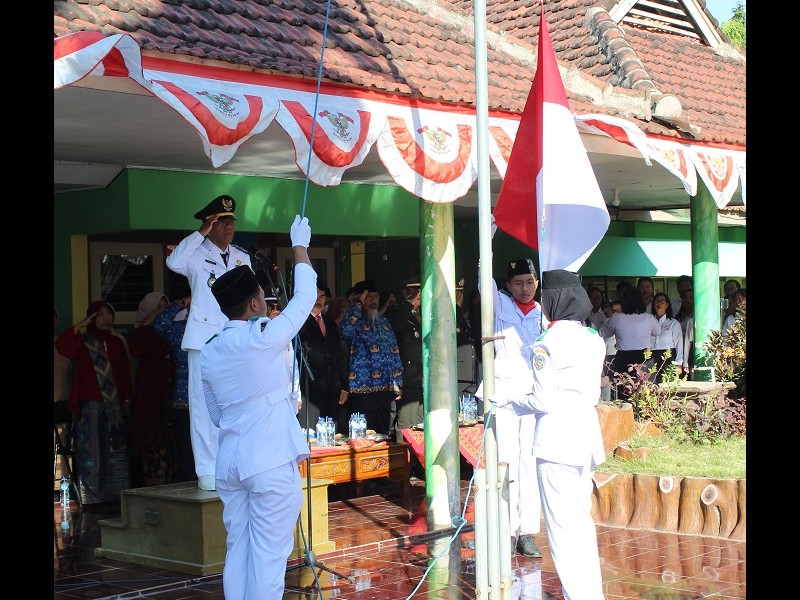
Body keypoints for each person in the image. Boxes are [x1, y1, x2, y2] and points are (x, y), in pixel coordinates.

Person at [200, 215, 316, 600]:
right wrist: (299, 246)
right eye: (264, 300)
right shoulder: (261, 335)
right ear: (253, 304)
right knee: (268, 559)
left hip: (230, 463)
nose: (267, 305)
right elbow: (305, 299)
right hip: (268, 461)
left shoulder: (209, 350)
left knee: (239, 550)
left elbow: (216, 415)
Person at [494, 269, 606, 600]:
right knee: (581, 525)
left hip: (556, 442)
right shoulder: (593, 338)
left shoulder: (548, 343)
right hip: (586, 438)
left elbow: (542, 400)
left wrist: (508, 398)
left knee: (561, 531)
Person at [165, 194, 252, 491]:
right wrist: (199, 233)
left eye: (231, 221)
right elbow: (173, 261)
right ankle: (207, 469)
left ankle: (233, 463)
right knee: (203, 406)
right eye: (221, 221)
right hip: (203, 339)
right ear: (210, 224)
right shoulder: (195, 253)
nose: (228, 227)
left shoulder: (242, 257)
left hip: (234, 338)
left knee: (236, 402)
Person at [475, 257, 543, 558]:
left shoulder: (544, 314)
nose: (525, 288)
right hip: (503, 397)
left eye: (529, 282)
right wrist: (486, 246)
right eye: (518, 283)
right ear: (508, 285)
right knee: (505, 462)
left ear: (537, 282)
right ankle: (505, 528)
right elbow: (484, 282)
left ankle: (526, 532)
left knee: (529, 463)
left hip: (534, 398)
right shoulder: (500, 305)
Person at [55, 301, 132, 505]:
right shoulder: (83, 342)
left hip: (113, 406)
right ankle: (93, 496)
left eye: (109, 313)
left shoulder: (116, 342)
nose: (106, 318)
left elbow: (124, 372)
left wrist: (126, 399)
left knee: (115, 450)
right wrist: (80, 326)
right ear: (92, 318)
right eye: (100, 314)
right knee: (93, 452)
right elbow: (62, 345)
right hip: (90, 406)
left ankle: (116, 493)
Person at [339, 280, 403, 437]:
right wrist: (358, 306)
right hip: (363, 392)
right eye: (368, 297)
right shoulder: (355, 324)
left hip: (387, 390)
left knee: (386, 437)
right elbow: (345, 330)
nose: (373, 301)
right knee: (365, 439)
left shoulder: (385, 323)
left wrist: (399, 382)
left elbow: (394, 353)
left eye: (376, 297)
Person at [126, 292, 172, 487]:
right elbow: (135, 351)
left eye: (164, 308)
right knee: (150, 437)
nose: (161, 312)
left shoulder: (170, 329)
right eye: (157, 308)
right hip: (148, 393)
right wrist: (146, 325)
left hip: (167, 392)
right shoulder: (139, 332)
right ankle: (151, 484)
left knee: (168, 436)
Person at [296, 281, 350, 435]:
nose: (318, 300)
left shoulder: (330, 323)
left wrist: (344, 386)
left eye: (322, 297)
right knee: (310, 436)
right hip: (309, 391)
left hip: (332, 390)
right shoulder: (299, 323)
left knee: (331, 436)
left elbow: (339, 356)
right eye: (314, 296)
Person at [153, 295, 195, 483]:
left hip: (210, 402)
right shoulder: (180, 330)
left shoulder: (216, 330)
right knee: (186, 453)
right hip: (183, 401)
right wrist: (182, 302)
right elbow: (160, 323)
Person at [600, 286, 660, 401]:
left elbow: (605, 333)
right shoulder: (648, 318)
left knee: (624, 392)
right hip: (644, 357)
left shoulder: (617, 318)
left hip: (624, 358)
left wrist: (608, 318)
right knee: (646, 391)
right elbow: (657, 332)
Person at [386, 277, 424, 444]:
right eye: (414, 292)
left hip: (422, 376)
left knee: (421, 423)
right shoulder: (397, 312)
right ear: (405, 293)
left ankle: (418, 458)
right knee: (406, 424)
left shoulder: (421, 313)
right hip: (408, 376)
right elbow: (395, 327)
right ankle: (405, 457)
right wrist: (409, 304)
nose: (418, 296)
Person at [649, 292, 684, 383]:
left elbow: (679, 344)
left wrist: (679, 363)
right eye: (656, 301)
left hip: (668, 356)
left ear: (667, 305)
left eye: (662, 301)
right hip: (651, 357)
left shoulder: (673, 323)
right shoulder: (648, 322)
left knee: (666, 384)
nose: (659, 304)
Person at [455, 277, 477, 392]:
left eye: (460, 294)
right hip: (458, 375)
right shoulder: (453, 315)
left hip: (469, 375)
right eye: (457, 293)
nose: (460, 297)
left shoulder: (461, 317)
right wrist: (456, 308)